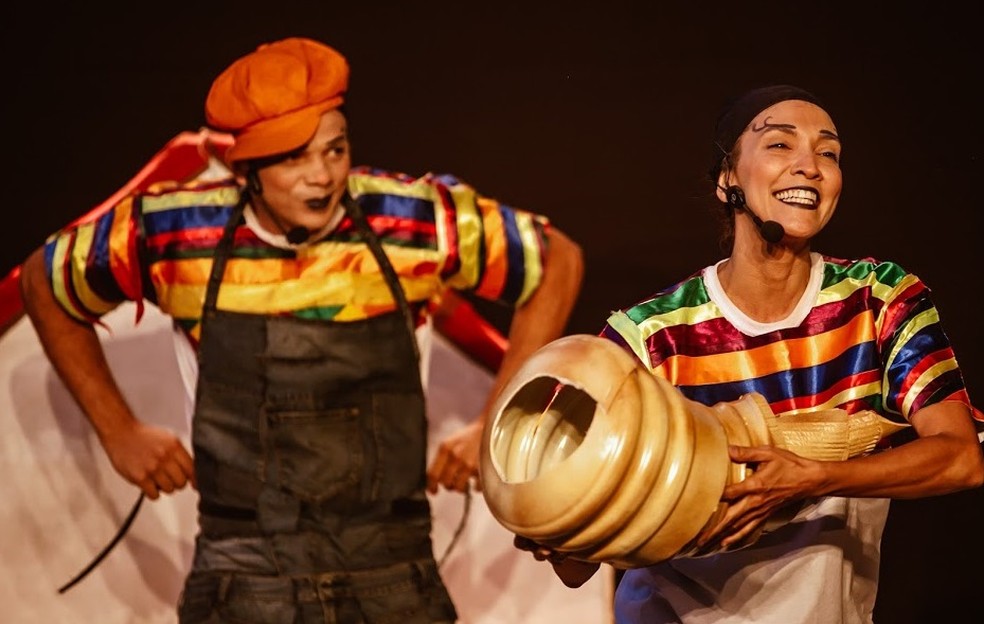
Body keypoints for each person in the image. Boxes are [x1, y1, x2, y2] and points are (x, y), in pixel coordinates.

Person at [19, 36, 583, 623]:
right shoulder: (177, 231)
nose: (322, 176)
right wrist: (119, 431)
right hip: (243, 566)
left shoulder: (408, 219)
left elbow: (555, 262)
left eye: (335, 150)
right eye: (295, 158)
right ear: (249, 169)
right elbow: (45, 281)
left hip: (390, 563)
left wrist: (498, 420)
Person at [516, 84, 984, 623]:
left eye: (828, 153)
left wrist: (817, 476)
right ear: (727, 180)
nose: (810, 165)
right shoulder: (650, 336)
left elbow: (960, 458)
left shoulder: (878, 301)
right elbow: (576, 569)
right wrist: (558, 524)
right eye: (780, 146)